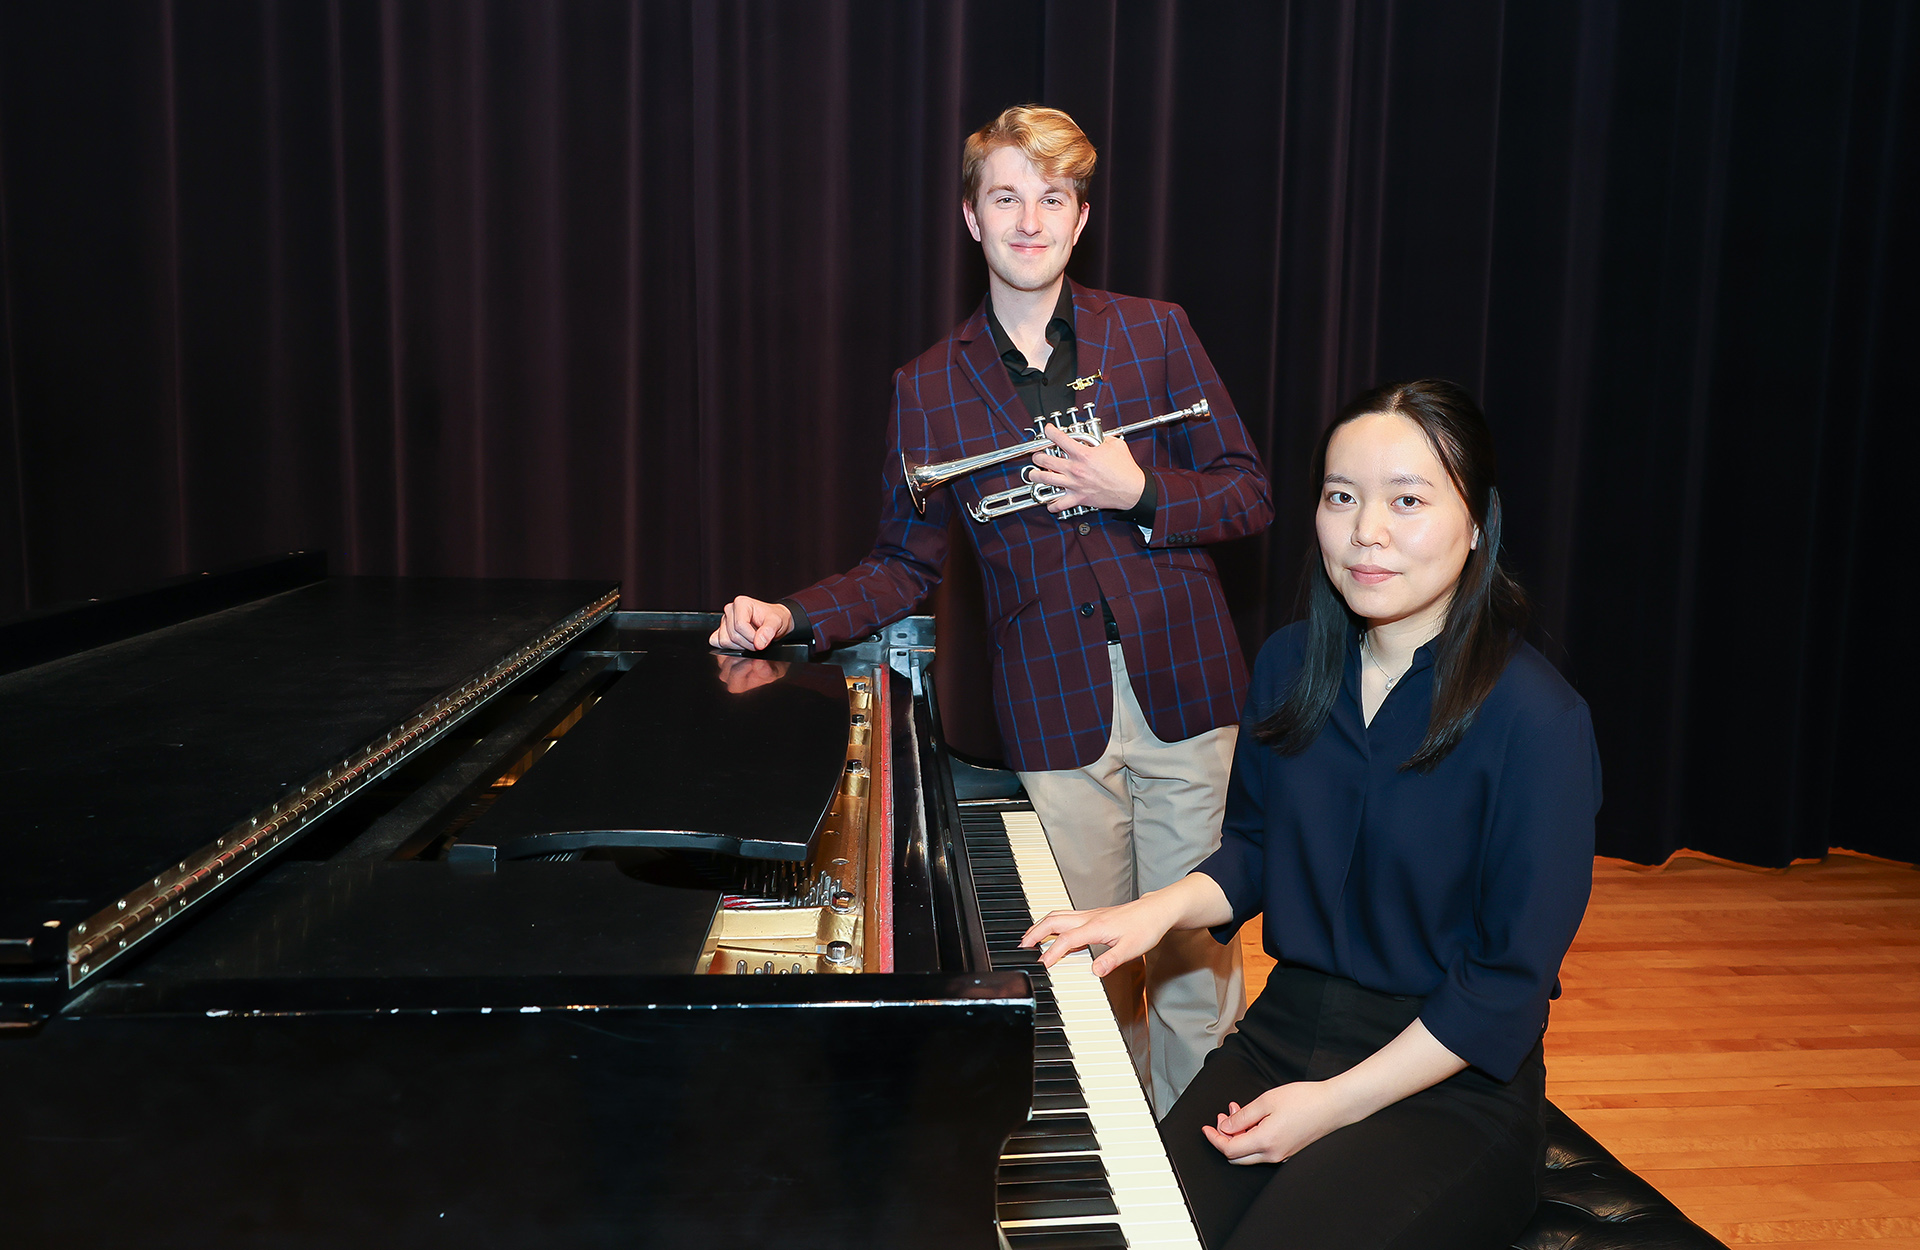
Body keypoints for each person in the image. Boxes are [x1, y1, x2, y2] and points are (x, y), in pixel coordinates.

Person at [709, 105, 1272, 1113]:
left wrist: (1137, 490)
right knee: (1092, 971)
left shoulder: (1155, 331)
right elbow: (900, 565)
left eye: (1051, 197)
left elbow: (1248, 493)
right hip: (1055, 713)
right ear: (971, 217)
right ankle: (1122, 1171)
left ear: (1081, 215)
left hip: (1187, 688)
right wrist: (790, 613)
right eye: (1006, 196)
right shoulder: (926, 389)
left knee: (1197, 963)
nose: (1029, 219)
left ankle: (1197, 1181)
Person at [1022, 379, 1600, 1249]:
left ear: (1476, 521)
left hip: (1448, 1082)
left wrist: (1329, 1108)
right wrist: (1144, 914)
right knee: (1130, 1234)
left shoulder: (1538, 721)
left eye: (1408, 501)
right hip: (1284, 1037)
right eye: (1342, 497)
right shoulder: (1291, 665)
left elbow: (1503, 990)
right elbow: (1256, 848)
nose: (1367, 531)